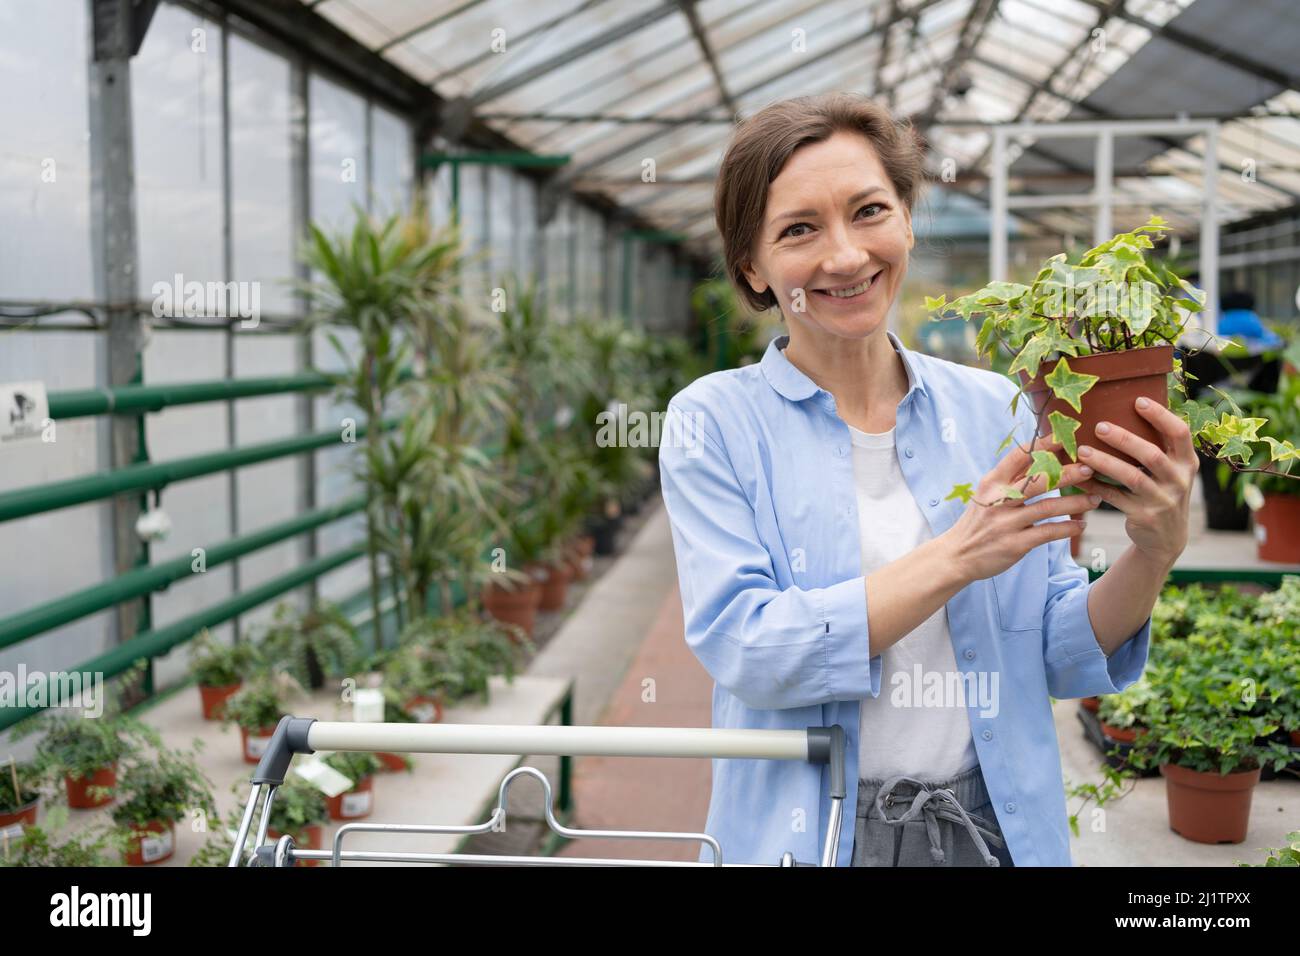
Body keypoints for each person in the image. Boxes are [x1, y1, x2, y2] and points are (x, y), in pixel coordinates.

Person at [657, 92, 1197, 867]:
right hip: (818, 838)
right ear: (754, 266)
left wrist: (1153, 551)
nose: (845, 256)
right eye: (799, 229)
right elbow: (753, 650)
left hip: (990, 829)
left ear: (907, 220)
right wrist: (959, 554)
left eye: (870, 210)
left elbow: (1056, 645)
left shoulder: (998, 408)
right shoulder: (713, 421)